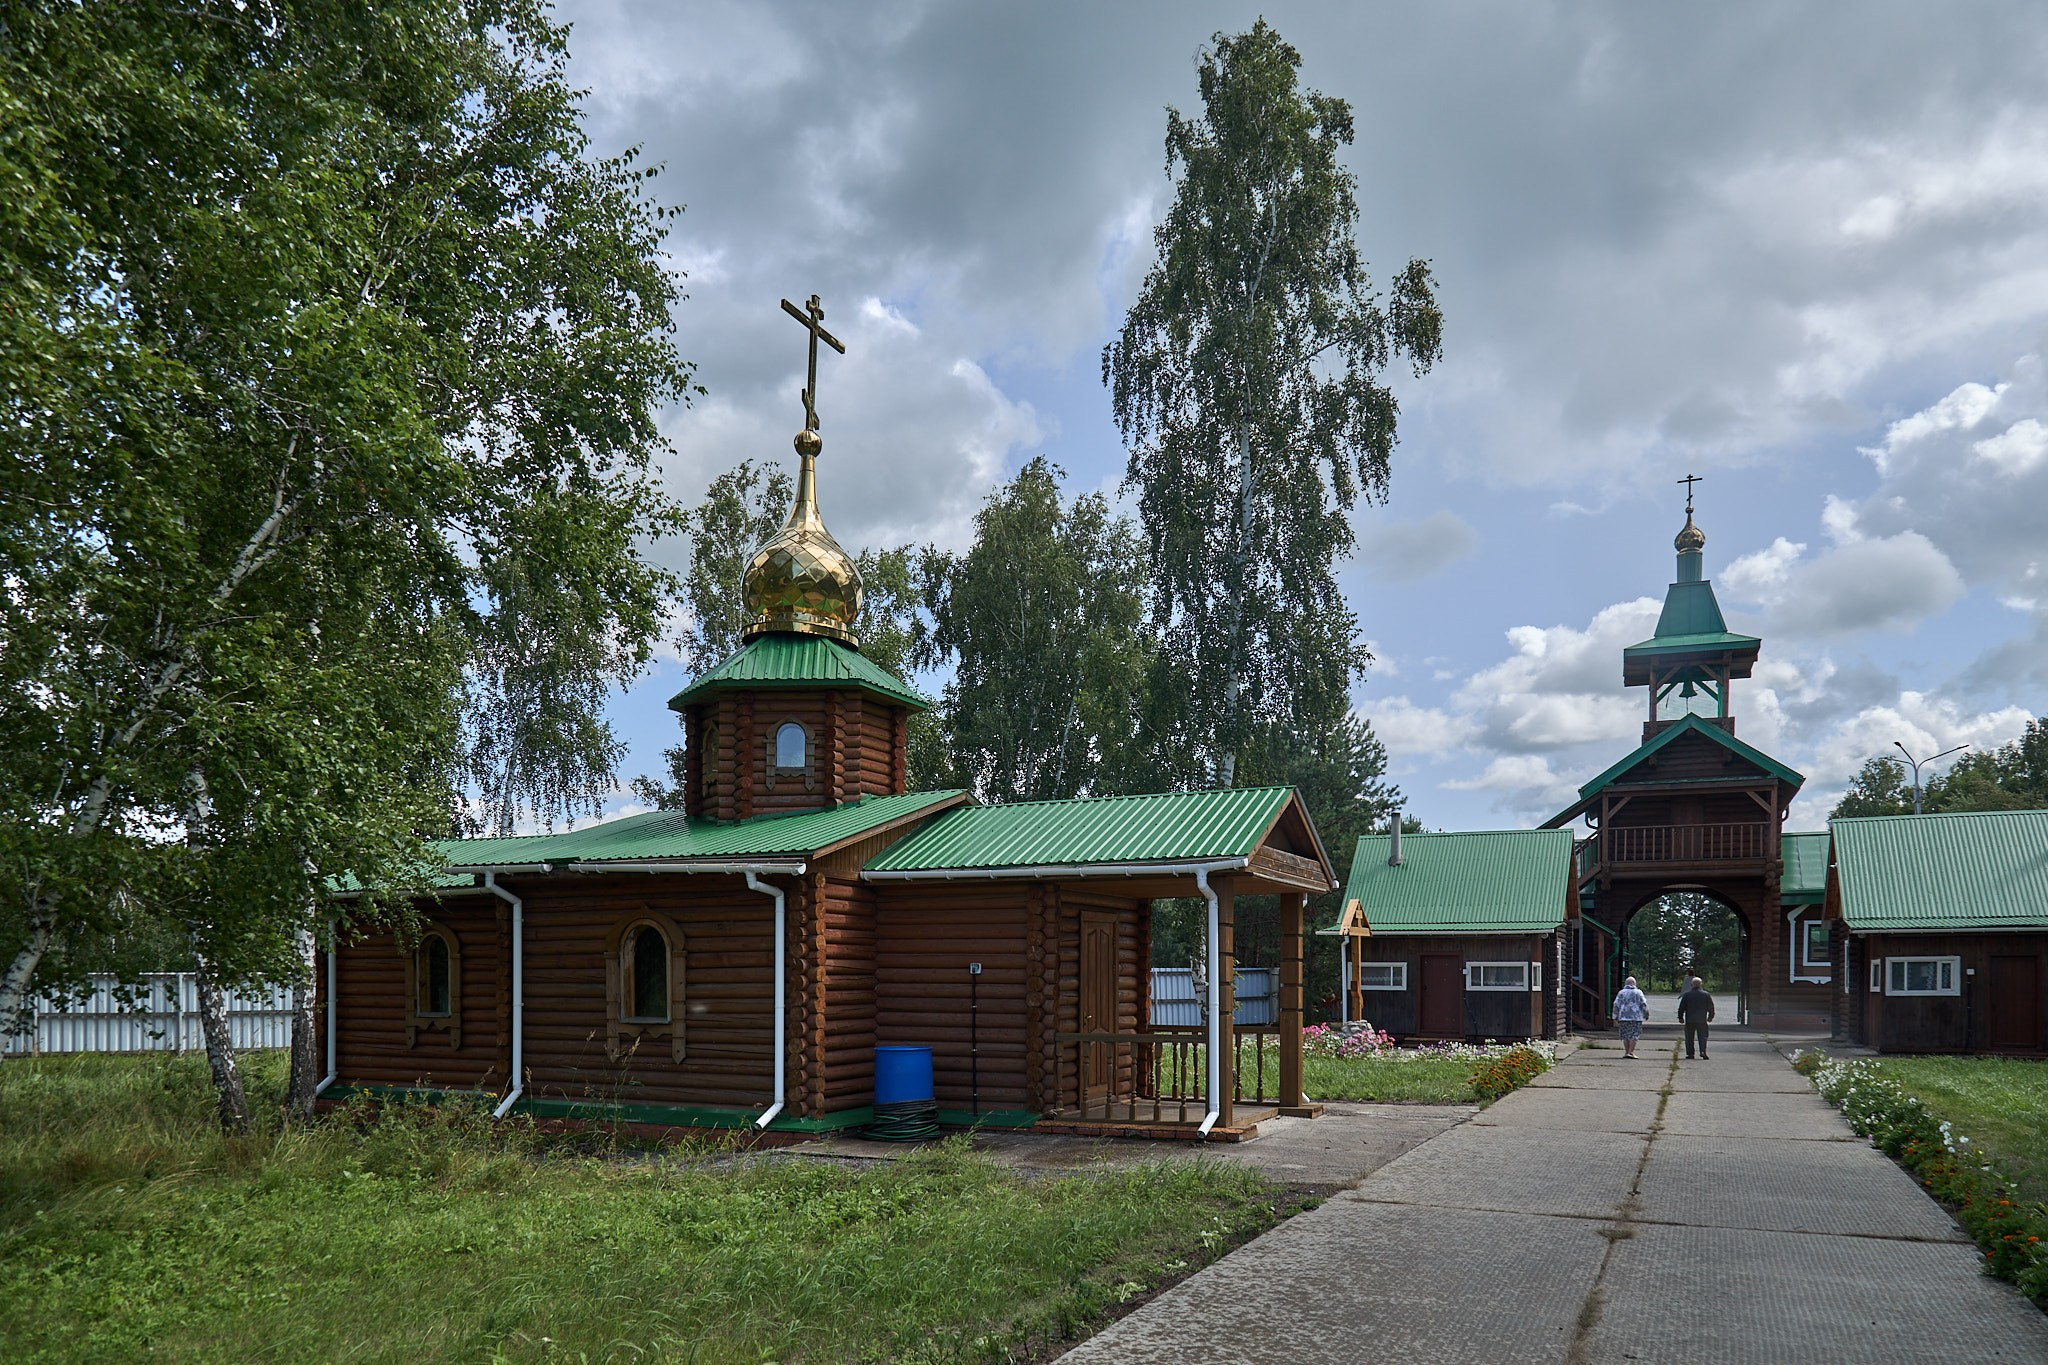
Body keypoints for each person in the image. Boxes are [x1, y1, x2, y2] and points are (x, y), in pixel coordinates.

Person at [1677, 976, 1716, 1059]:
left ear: (1691, 984)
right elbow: (1711, 1007)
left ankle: (1690, 1054)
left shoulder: (1687, 995)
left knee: (1689, 1037)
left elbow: (1682, 1007)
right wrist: (1710, 1016)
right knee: (1703, 1036)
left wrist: (1680, 1017)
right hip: (1701, 1019)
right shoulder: (1706, 994)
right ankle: (1702, 1051)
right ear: (1701, 984)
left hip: (1690, 1019)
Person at [1611, 976, 1649, 1058]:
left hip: (1623, 1017)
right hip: (1635, 1017)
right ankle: (1631, 1052)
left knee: (1625, 1035)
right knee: (1634, 1035)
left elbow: (1616, 1004)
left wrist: (1615, 1015)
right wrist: (1646, 1014)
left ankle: (1626, 1052)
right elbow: (1644, 1003)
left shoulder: (1621, 992)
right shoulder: (1638, 992)